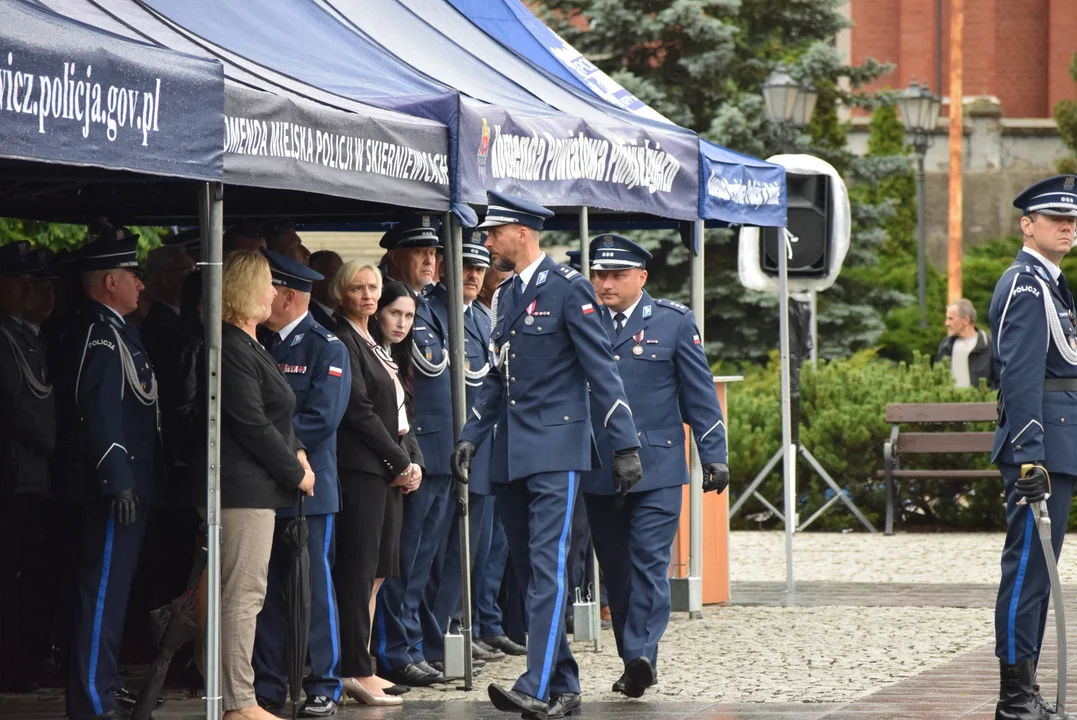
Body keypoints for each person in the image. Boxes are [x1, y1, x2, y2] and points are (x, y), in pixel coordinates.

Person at [451, 192, 643, 719]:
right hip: (511, 450)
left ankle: (535, 684)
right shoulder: (508, 294)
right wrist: (471, 433)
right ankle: (564, 684)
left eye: (493, 233)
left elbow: (602, 371)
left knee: (548, 565)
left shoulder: (569, 289)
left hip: (557, 449)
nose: (487, 243)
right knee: (532, 569)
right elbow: (496, 374)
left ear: (523, 232)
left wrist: (623, 443)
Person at [584, 234, 729, 698]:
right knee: (617, 571)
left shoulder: (672, 322)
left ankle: (644, 652)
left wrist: (714, 454)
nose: (605, 283)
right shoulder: (581, 321)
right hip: (599, 466)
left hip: (658, 467)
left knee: (649, 562)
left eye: (616, 275)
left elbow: (699, 394)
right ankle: (635, 662)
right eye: (600, 274)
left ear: (640, 278)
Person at [62, 229, 165, 720]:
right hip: (111, 487)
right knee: (99, 592)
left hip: (131, 482)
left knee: (114, 590)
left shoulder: (121, 329)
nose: (141, 285)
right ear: (109, 281)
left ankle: (103, 684)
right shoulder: (97, 331)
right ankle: (92, 701)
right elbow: (99, 410)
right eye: (132, 275)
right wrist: (116, 475)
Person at [990, 175, 1077, 720]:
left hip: (1060, 441)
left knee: (1039, 573)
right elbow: (1019, 374)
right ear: (1028, 224)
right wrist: (1029, 453)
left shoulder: (1052, 282)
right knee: (1027, 570)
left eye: (1072, 220)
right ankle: (1014, 696)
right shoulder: (1025, 284)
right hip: (1040, 448)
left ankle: (1026, 689)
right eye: (1055, 219)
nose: (1067, 227)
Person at [252, 251, 350, 718]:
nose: (266, 298)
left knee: (315, 590)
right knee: (266, 591)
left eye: (272, 291)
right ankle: (268, 685)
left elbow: (322, 418)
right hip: (267, 485)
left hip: (312, 490)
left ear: (288, 295)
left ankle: (324, 683)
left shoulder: (326, 346)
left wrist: (277, 450)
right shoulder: (264, 344)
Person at [218, 250, 315, 720]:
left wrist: (296, 449)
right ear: (245, 290)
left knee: (246, 596)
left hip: (259, 488)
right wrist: (296, 471)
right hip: (244, 490)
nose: (275, 293)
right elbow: (250, 423)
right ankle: (239, 702)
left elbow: (277, 414)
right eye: (267, 284)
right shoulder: (232, 346)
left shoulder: (252, 343)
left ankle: (236, 696)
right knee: (243, 598)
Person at [331, 263, 422, 705]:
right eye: (358, 288)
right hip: (363, 469)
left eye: (373, 288)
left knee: (378, 574)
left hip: (386, 470)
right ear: (340, 292)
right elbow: (360, 411)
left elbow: (400, 412)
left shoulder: (375, 343)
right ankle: (353, 668)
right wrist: (399, 461)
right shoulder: (345, 340)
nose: (368, 295)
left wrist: (411, 461)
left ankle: (362, 662)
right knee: (357, 571)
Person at [373, 215, 456, 688]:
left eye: (433, 253)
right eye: (421, 252)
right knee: (402, 560)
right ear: (396, 257)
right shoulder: (391, 302)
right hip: (411, 450)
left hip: (440, 450)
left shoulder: (435, 306)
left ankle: (416, 645)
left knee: (423, 560)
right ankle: (393, 650)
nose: (431, 260)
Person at [421, 232, 508, 668]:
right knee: (436, 554)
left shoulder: (481, 316)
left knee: (470, 552)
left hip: (481, 451)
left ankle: (455, 630)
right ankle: (434, 639)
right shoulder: (430, 310)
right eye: (465, 267)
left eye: (478, 268)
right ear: (443, 268)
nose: (473, 275)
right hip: (445, 449)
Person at [0, 241, 56, 691]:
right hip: (13, 475)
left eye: (33, 283)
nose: (30, 291)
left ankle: (26, 661)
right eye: (19, 282)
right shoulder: (5, 338)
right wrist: (54, 446)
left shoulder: (28, 335)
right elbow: (19, 408)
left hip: (32, 477)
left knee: (32, 574)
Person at [936, 299, 996, 389]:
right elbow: (937, 378)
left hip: (983, 402)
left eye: (950, 318)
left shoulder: (989, 344)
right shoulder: (946, 345)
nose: (946, 323)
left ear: (966, 320)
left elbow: (999, 381)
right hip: (950, 402)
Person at [309, 250, 344, 329]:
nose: (341, 280)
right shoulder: (310, 316)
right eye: (333, 275)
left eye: (342, 274)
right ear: (314, 280)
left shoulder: (344, 312)